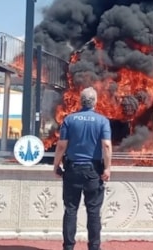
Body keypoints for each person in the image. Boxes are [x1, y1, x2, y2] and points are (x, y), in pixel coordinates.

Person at [53, 87, 112, 250]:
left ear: (81, 101)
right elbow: (106, 146)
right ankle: (94, 247)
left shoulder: (69, 120)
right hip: (93, 171)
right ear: (95, 102)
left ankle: (69, 247)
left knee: (70, 210)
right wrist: (107, 168)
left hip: (72, 170)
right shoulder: (102, 121)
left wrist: (56, 165)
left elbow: (61, 146)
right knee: (93, 211)